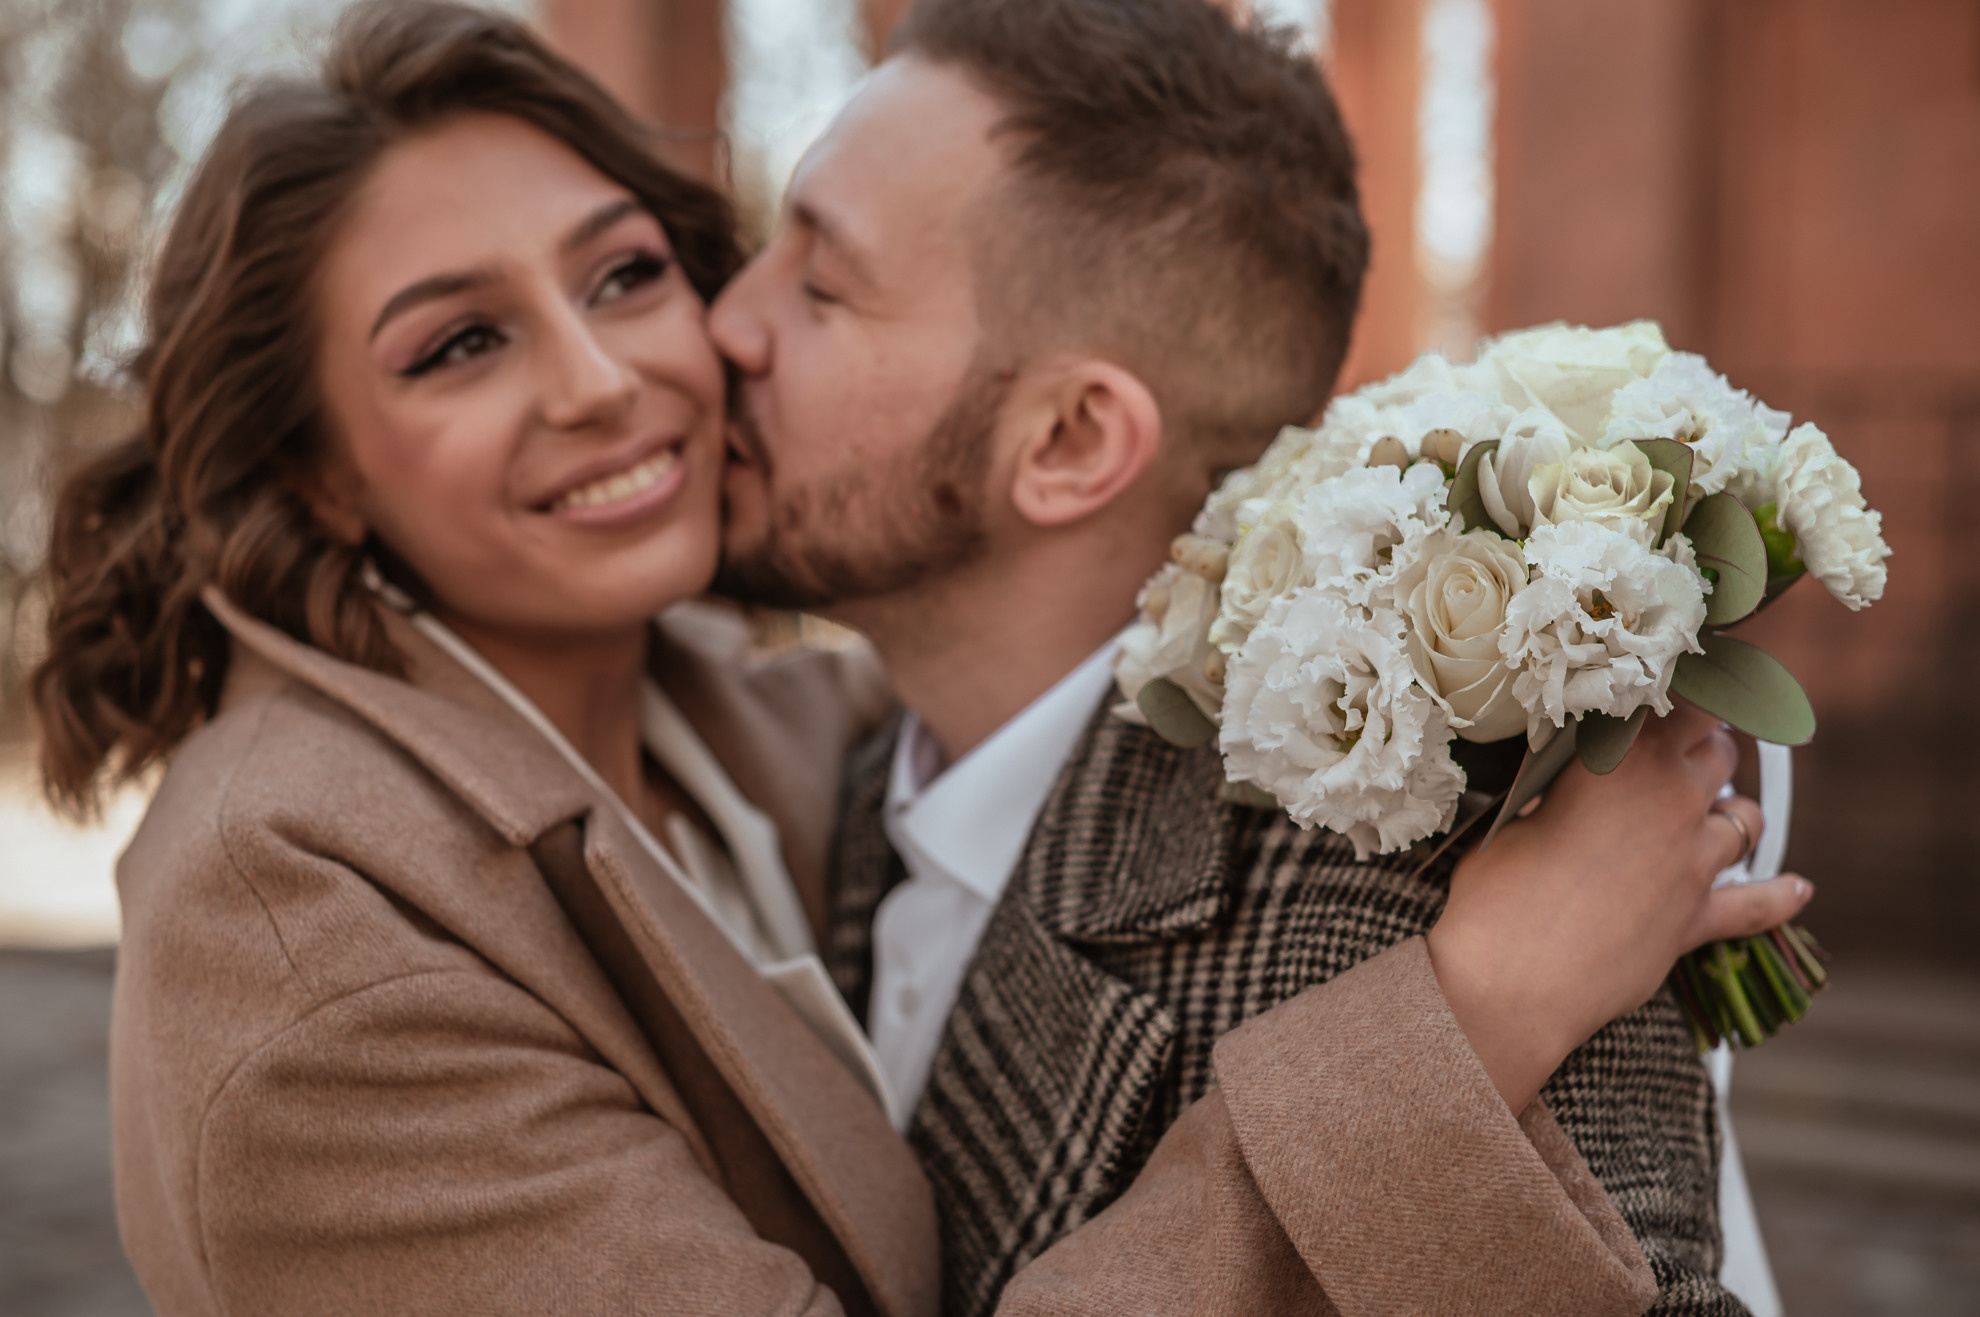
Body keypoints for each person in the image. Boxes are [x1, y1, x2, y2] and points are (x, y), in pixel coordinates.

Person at [32, 4, 1772, 1315]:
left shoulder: (797, 749)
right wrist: (1455, 1029)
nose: (686, 344)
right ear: (316, 467)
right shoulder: (305, 905)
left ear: (1071, 443)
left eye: (635, 269)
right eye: (461, 342)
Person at [708, 0, 1812, 1313]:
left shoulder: (1444, 901)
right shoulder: (838, 792)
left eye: (821, 285)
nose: (725, 324)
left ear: (1066, 440)